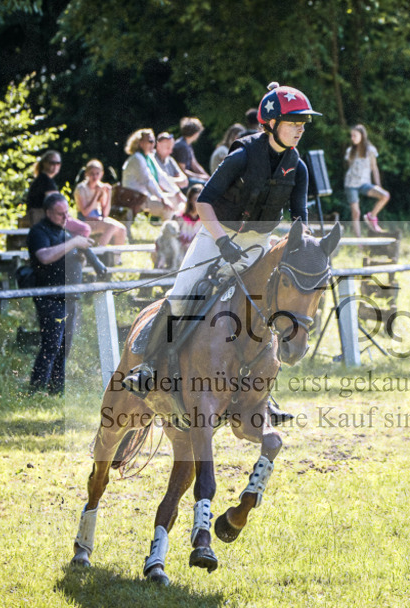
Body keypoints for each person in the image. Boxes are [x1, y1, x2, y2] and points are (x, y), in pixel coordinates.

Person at [122, 81, 322, 425]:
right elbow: (203, 202)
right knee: (182, 296)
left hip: (258, 243)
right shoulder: (242, 156)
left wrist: (310, 248)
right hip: (216, 234)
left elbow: (299, 219)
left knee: (264, 310)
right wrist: (222, 242)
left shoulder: (298, 166)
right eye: (294, 123)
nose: (300, 129)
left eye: (303, 123)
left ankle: (264, 396)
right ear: (272, 123)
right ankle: (148, 368)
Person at [27, 193, 93, 395]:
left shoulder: (65, 232)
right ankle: (37, 389)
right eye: (60, 214)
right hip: (50, 296)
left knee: (65, 347)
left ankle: (57, 391)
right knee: (51, 345)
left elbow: (69, 259)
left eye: (67, 213)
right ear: (48, 212)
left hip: (70, 295)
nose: (65, 218)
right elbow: (45, 256)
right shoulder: (38, 231)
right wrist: (74, 243)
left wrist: (80, 257)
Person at [121, 129, 179, 219]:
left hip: (145, 197)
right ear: (141, 143)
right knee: (168, 208)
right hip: (137, 200)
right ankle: (168, 227)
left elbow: (161, 176)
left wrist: (177, 192)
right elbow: (148, 181)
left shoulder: (149, 157)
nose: (153, 144)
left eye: (154, 141)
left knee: (176, 199)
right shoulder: (137, 158)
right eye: (150, 141)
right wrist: (163, 199)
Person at [344, 124, 390, 237]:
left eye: (355, 135)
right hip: (351, 184)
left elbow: (374, 168)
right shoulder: (350, 151)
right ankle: (359, 240)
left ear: (362, 136)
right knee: (356, 212)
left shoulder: (370, 151)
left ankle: (371, 216)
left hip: (365, 183)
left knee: (385, 196)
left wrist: (378, 185)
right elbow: (350, 168)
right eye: (351, 136)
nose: (352, 138)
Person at [74, 159, 127, 245]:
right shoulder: (81, 188)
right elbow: (85, 213)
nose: (95, 177)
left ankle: (116, 254)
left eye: (97, 174)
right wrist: (96, 195)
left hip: (98, 218)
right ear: (86, 174)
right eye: (92, 174)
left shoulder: (101, 187)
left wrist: (108, 194)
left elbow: (105, 214)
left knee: (122, 229)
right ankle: (100, 250)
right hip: (84, 220)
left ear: (101, 174)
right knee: (111, 226)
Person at [25, 150, 62, 224]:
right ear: (45, 163)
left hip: (40, 221)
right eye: (52, 163)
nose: (55, 166)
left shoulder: (41, 179)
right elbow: (56, 204)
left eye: (58, 163)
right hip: (42, 221)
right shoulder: (45, 181)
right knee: (83, 228)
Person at [172, 117, 211, 184]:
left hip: (187, 178)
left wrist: (207, 177)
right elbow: (182, 171)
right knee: (204, 185)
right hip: (181, 180)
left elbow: (194, 164)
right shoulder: (182, 146)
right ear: (195, 133)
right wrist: (200, 177)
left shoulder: (188, 144)